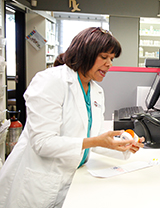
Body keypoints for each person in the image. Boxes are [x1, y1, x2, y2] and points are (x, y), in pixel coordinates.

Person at [0, 27, 144, 208]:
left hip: (73, 179)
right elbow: (42, 143)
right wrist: (96, 141)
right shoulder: (50, 81)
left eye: (112, 59)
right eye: (104, 57)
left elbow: (95, 134)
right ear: (86, 53)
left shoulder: (96, 91)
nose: (110, 64)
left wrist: (123, 145)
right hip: (38, 183)